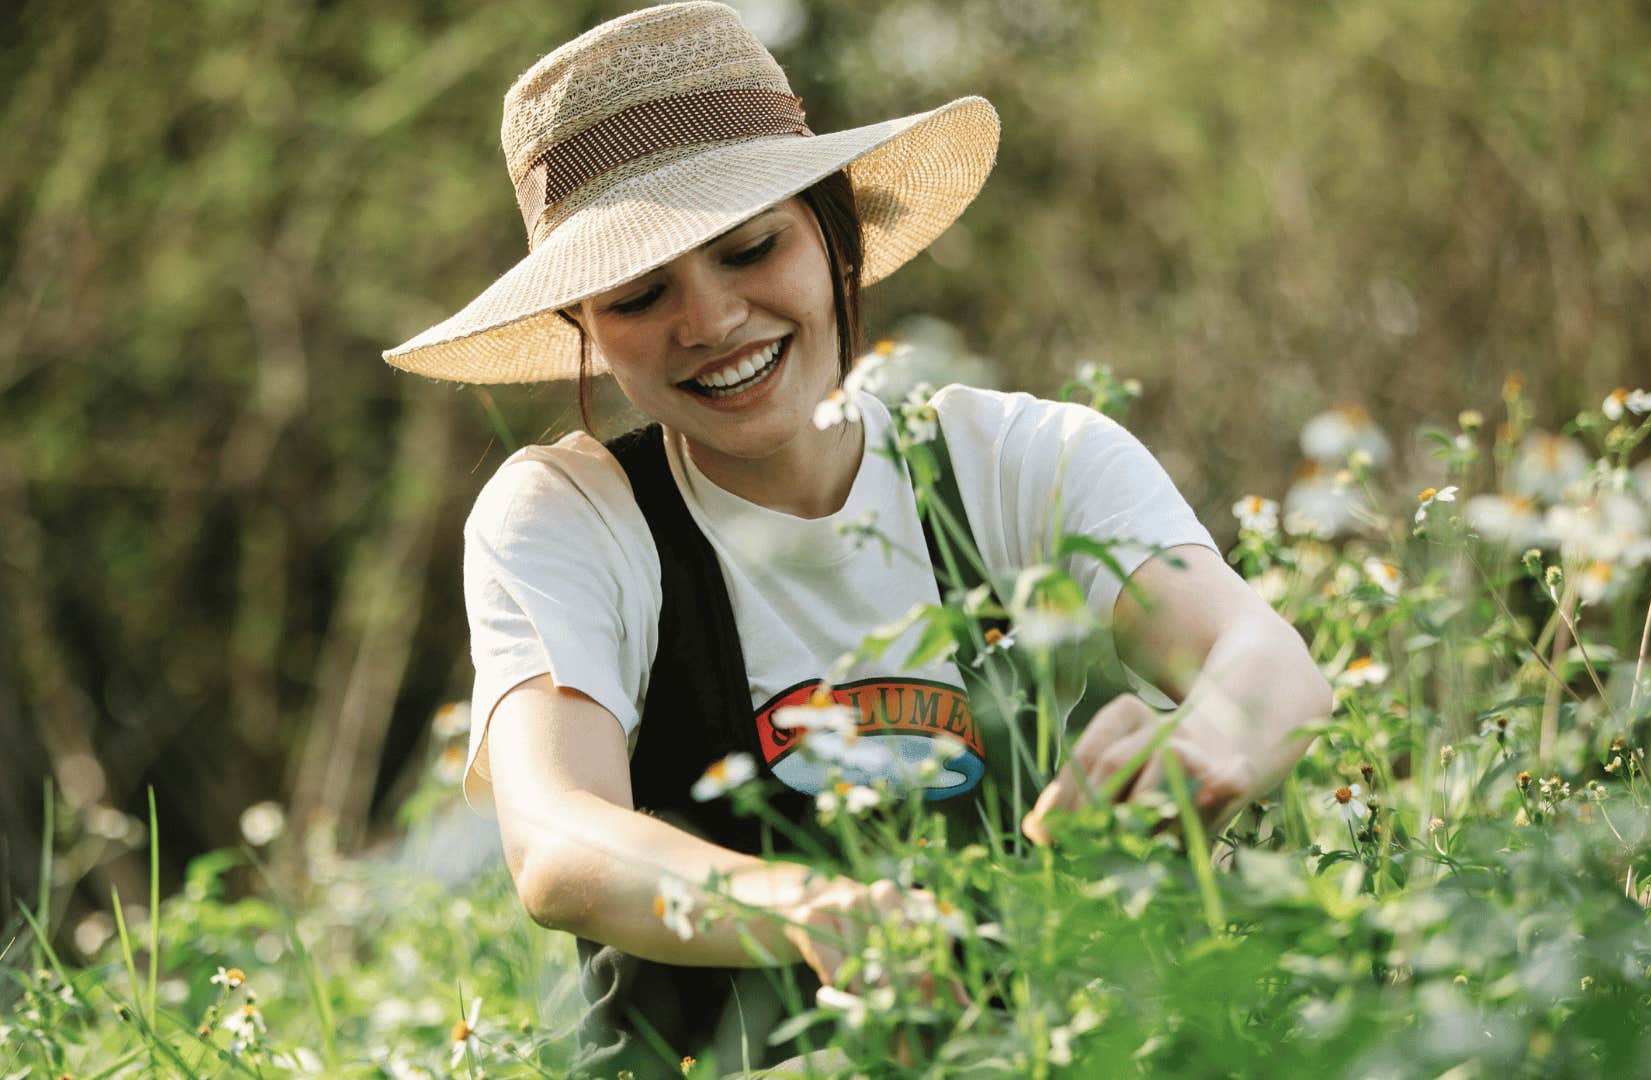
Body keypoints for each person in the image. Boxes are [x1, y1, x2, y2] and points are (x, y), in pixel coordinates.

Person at [382, 4, 1333, 1075]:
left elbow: (1270, 665)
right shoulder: (569, 513)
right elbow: (556, 840)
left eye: (750, 249)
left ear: (835, 229)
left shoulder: (1018, 460)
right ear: (586, 332)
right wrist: (805, 907)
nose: (708, 323)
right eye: (641, 295)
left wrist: (1204, 744)